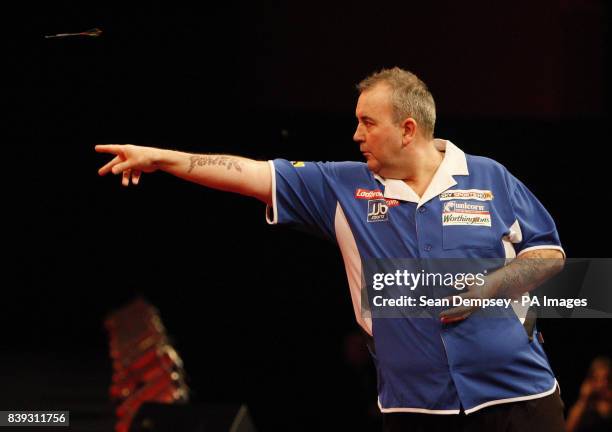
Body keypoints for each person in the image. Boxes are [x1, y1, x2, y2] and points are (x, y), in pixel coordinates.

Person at [96, 67, 566, 431]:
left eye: (367, 122)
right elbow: (251, 174)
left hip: (518, 395)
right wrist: (164, 159)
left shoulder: (489, 176)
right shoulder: (341, 186)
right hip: (416, 404)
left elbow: (549, 254)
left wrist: (487, 290)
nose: (356, 135)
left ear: (407, 129)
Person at [566, 356, 612, 432]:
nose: (601, 384)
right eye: (596, 378)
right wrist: (583, 399)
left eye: (606, 379)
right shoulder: (586, 404)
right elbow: (569, 428)